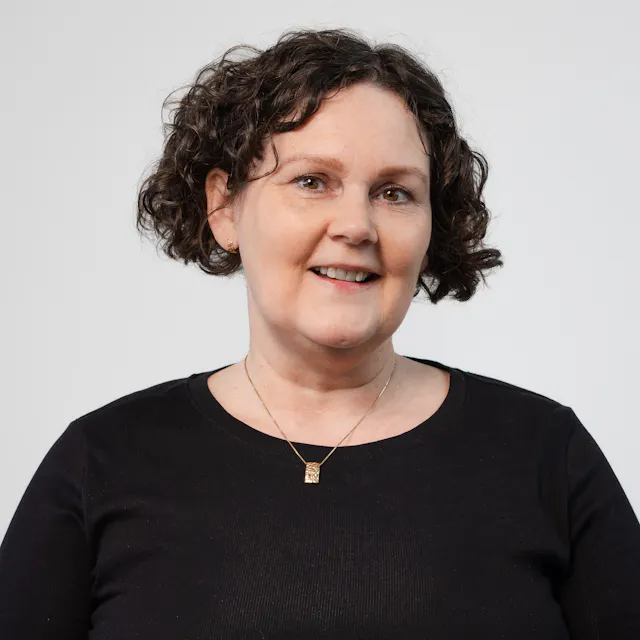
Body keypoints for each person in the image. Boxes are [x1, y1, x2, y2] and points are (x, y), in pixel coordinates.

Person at [1, 26, 639, 639]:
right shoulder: (101, 462)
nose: (356, 225)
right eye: (312, 182)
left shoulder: (546, 456)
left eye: (394, 192)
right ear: (224, 206)